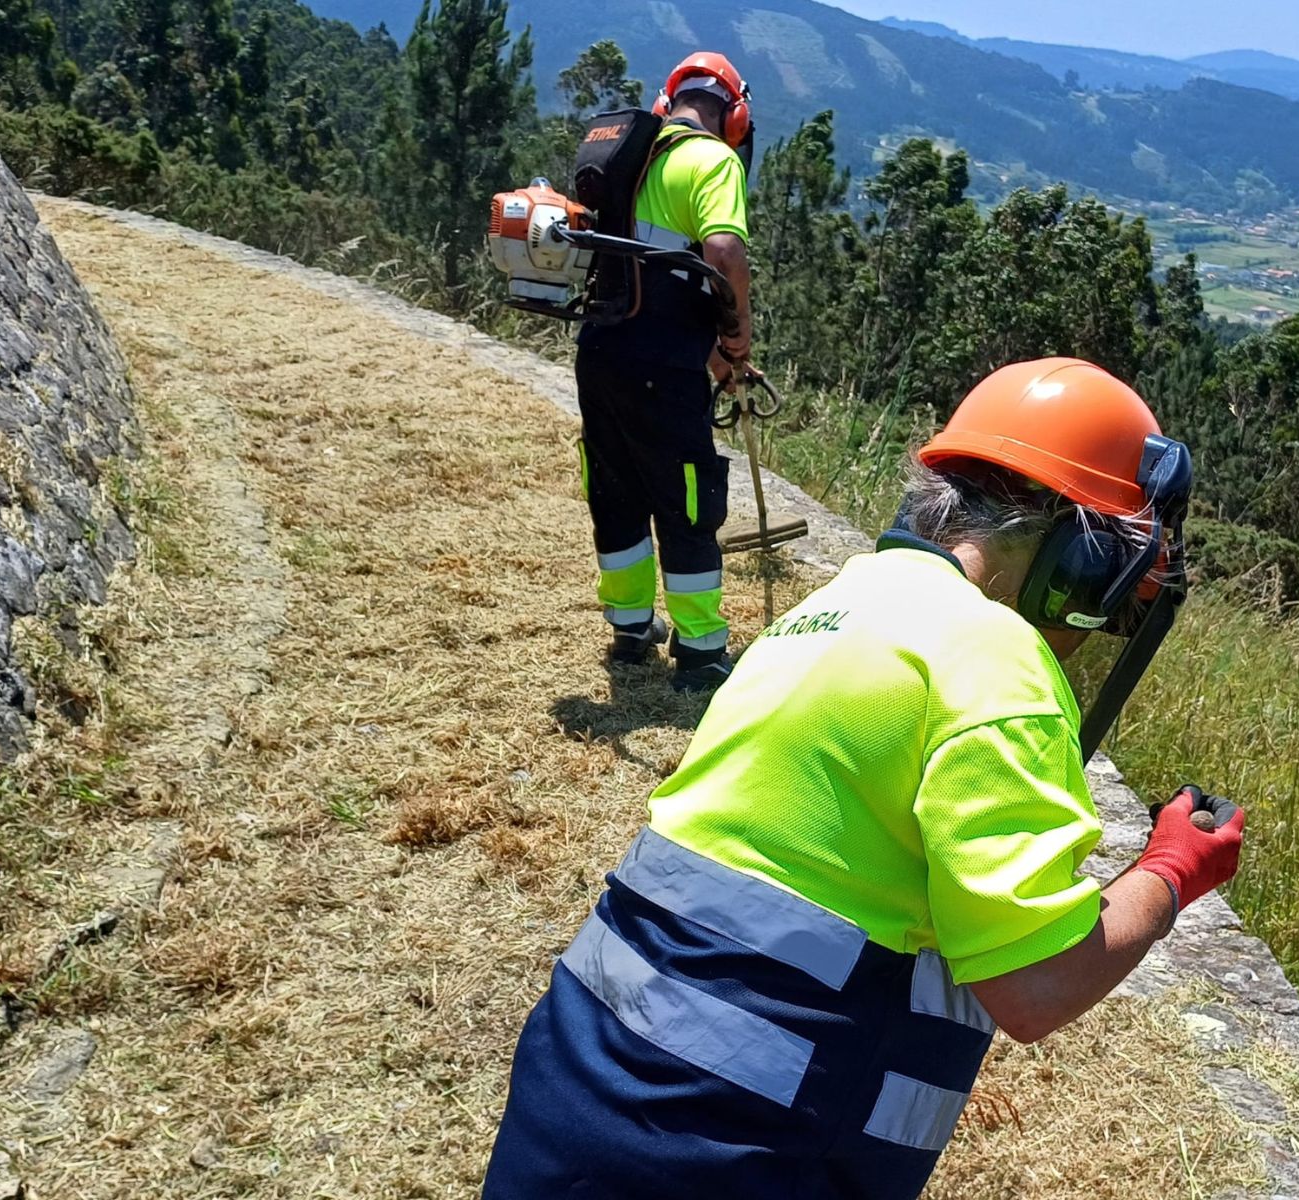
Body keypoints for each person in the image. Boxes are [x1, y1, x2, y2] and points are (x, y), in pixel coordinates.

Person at [483, 358, 1247, 1199]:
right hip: (731, 1145)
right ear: (1082, 561)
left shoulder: (832, 608)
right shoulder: (994, 658)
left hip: (575, 1079)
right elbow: (1034, 988)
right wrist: (1172, 872)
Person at [575, 51, 755, 694]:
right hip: (661, 365)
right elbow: (722, 251)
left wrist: (712, 350)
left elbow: (654, 273)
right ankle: (703, 651)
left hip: (600, 350)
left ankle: (629, 629)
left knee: (615, 487)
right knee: (687, 499)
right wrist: (738, 333)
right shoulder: (713, 161)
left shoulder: (630, 160)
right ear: (734, 115)